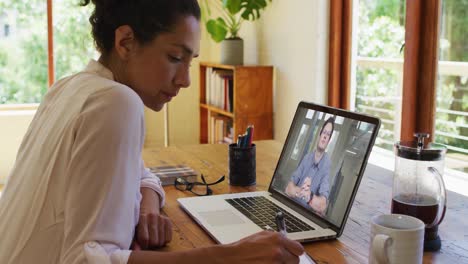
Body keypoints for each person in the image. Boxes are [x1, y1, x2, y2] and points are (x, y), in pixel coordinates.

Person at [0, 1, 304, 263]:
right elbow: (85, 260)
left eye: (190, 61)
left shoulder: (69, 87)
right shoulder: (117, 102)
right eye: (174, 58)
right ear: (126, 42)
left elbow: (141, 172)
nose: (185, 80)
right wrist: (232, 256)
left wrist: (147, 206)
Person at [285, 117, 335, 216]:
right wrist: (301, 191)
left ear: (329, 140)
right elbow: (288, 188)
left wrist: (309, 197)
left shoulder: (327, 165)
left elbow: (322, 205)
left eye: (328, 134)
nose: (325, 136)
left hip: (306, 216)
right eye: (324, 132)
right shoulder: (307, 157)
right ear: (320, 134)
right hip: (292, 209)